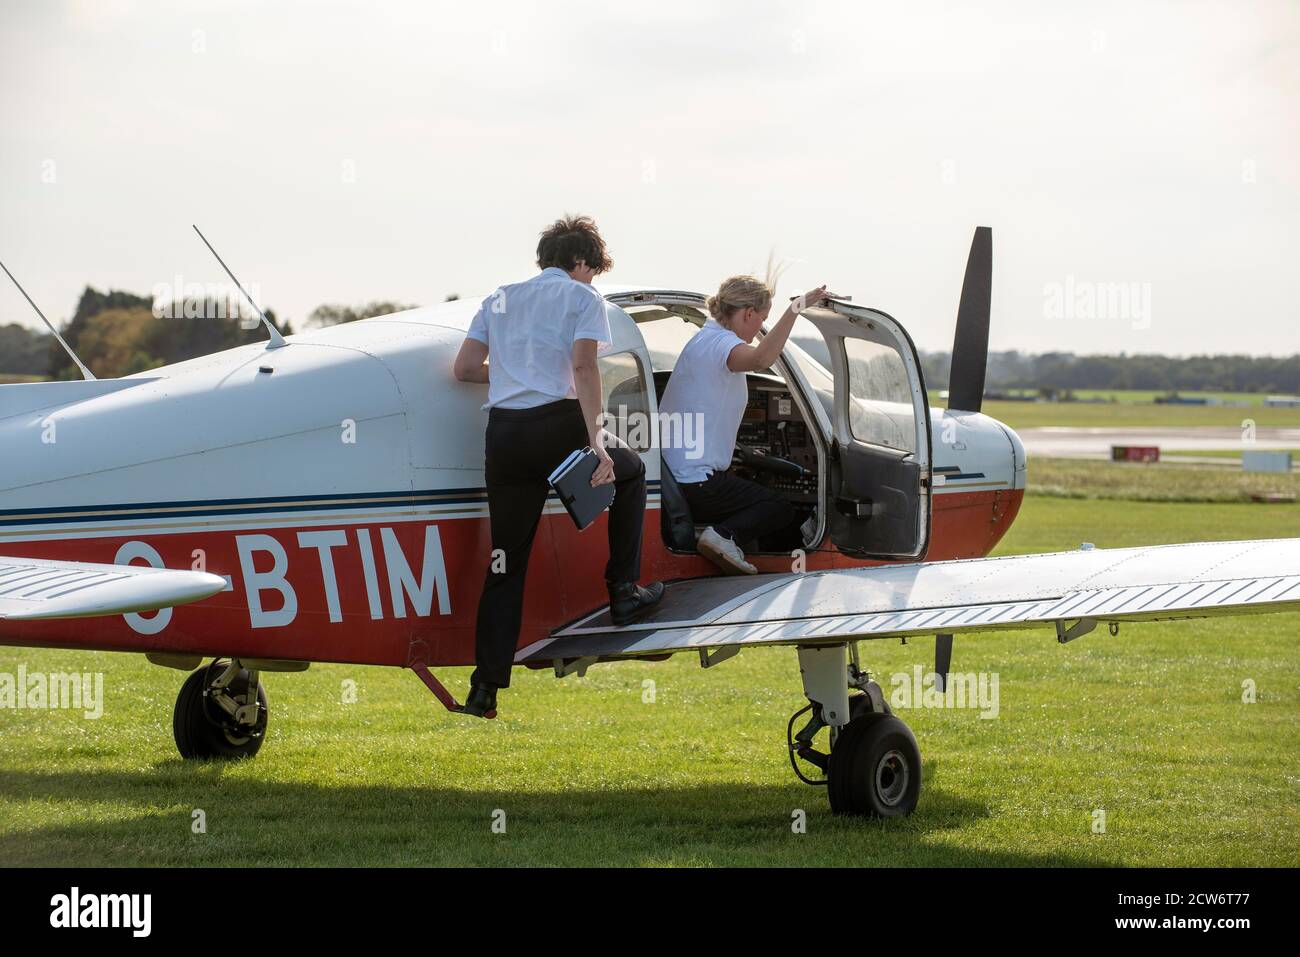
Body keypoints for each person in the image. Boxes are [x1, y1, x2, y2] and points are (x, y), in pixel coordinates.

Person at [452, 215, 665, 718]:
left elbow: (463, 369)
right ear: (581, 262)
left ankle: (484, 690)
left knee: (506, 561)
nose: (594, 279)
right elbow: (585, 367)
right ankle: (623, 592)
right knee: (631, 473)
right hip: (558, 423)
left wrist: (514, 374)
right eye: (594, 269)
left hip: (504, 434)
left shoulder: (499, 297)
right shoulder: (582, 297)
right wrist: (597, 440)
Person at [658, 275, 828, 575]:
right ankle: (724, 536)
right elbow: (762, 358)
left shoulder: (702, 340)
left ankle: (718, 535)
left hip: (677, 475)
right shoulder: (723, 343)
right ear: (749, 313)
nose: (759, 328)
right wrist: (794, 311)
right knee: (779, 508)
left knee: (755, 490)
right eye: (761, 319)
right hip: (696, 481)